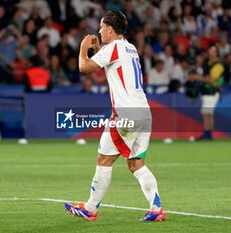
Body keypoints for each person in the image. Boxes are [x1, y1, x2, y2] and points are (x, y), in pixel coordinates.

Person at [64, 11, 166, 222]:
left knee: (104, 159)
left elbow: (84, 67)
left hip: (125, 113)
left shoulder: (114, 48)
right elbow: (112, 62)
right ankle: (156, 209)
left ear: (110, 29)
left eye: (101, 27)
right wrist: (97, 50)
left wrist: (83, 48)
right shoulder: (129, 47)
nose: (99, 31)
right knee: (136, 164)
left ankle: (91, 208)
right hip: (144, 112)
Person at [198, 46, 224, 140]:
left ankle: (207, 134)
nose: (210, 54)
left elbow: (211, 80)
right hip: (206, 92)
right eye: (209, 52)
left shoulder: (218, 65)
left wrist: (198, 77)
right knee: (208, 113)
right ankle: (208, 134)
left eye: (212, 52)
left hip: (212, 92)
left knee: (206, 113)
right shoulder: (208, 63)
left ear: (216, 53)